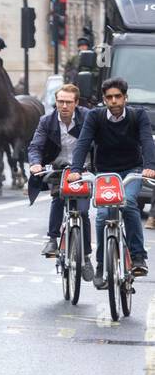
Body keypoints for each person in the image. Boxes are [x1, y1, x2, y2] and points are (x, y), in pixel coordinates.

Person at [67, 77, 155, 282]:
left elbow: (146, 142)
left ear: (125, 97)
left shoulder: (138, 115)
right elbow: (83, 142)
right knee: (101, 215)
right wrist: (76, 169)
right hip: (105, 174)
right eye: (109, 98)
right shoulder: (95, 117)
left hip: (131, 170)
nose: (114, 101)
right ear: (104, 100)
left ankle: (138, 257)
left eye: (118, 97)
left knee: (129, 204)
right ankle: (101, 265)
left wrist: (150, 167)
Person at [27, 83, 92, 279]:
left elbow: (100, 141)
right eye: (60, 102)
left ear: (76, 103)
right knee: (58, 197)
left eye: (68, 102)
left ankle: (86, 257)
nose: (63, 106)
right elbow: (35, 146)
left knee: (83, 211)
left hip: (84, 169)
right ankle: (53, 239)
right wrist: (36, 164)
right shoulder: (46, 121)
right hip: (59, 167)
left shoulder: (88, 117)